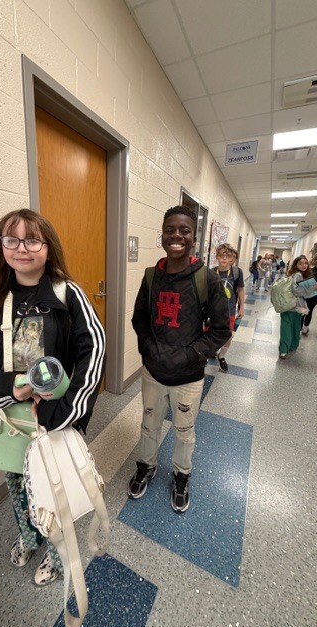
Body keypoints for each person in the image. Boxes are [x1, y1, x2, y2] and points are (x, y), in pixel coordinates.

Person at [0, 208, 105, 585]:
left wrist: (66, 412)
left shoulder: (68, 293)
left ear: (47, 247)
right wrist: (3, 387)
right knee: (16, 484)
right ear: (1, 246)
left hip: (52, 417)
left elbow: (94, 349)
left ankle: (56, 552)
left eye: (32, 239)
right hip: (7, 416)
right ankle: (30, 533)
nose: (22, 248)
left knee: (53, 489)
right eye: (11, 239)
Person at [128, 205, 231, 513]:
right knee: (149, 423)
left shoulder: (208, 280)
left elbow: (221, 330)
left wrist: (189, 355)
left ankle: (181, 475)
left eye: (184, 230)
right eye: (170, 229)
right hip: (153, 373)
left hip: (188, 376)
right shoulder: (151, 277)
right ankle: (146, 465)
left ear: (194, 237)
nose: (176, 236)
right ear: (162, 235)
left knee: (184, 430)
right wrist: (149, 348)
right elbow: (139, 320)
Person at [278, 255, 317, 359]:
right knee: (292, 327)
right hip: (294, 306)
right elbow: (296, 290)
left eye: (306, 263)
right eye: (300, 263)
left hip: (287, 304)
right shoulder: (298, 275)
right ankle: (287, 348)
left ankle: (285, 348)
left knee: (289, 327)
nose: (304, 265)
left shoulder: (293, 274)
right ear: (296, 265)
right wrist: (312, 288)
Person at [212, 244, 245, 372]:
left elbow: (241, 290)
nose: (225, 259)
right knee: (211, 334)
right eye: (222, 256)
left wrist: (242, 307)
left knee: (228, 336)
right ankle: (211, 351)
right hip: (213, 312)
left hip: (230, 310)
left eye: (228, 256)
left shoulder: (237, 272)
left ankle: (222, 356)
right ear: (217, 257)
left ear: (232, 258)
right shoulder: (211, 272)